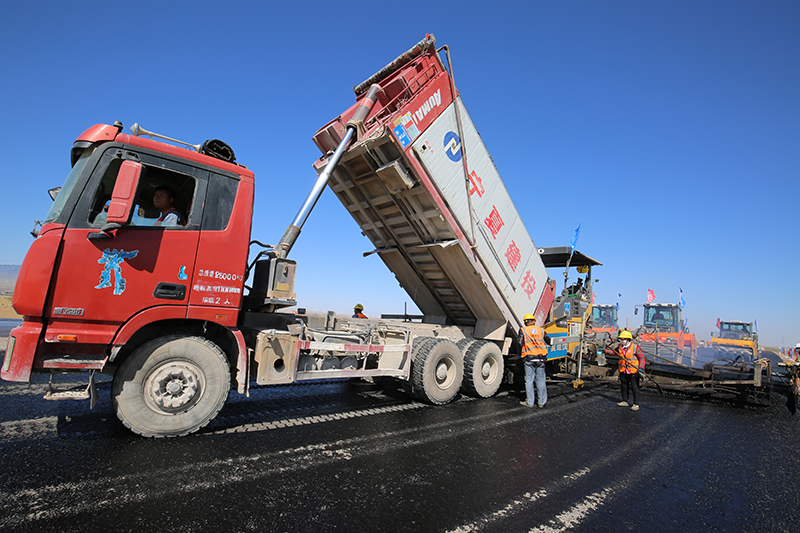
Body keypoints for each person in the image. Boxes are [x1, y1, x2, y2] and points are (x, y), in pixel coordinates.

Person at [607, 330, 645, 411]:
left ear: (628, 340)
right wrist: (605, 351)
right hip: (623, 370)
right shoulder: (620, 346)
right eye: (621, 339)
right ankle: (625, 401)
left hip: (633, 371)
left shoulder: (635, 347)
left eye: (623, 339)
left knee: (635, 387)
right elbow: (614, 352)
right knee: (624, 386)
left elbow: (641, 358)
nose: (622, 341)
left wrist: (641, 368)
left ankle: (636, 404)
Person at [519, 313, 550, 408]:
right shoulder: (541, 330)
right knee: (540, 380)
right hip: (540, 358)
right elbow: (548, 340)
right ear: (534, 321)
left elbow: (519, 343)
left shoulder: (523, 330)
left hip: (529, 359)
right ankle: (541, 402)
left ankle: (530, 402)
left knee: (529, 380)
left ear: (525, 322)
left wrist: (519, 354)